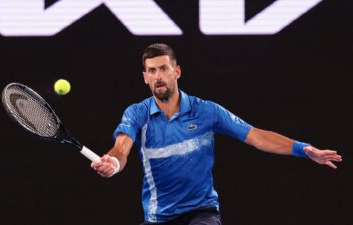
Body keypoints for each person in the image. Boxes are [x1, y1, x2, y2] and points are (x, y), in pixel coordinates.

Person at [91, 43, 342, 225]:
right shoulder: (137, 113)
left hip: (202, 212)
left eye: (164, 69)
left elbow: (256, 136)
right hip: (159, 216)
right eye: (152, 71)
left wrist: (303, 148)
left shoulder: (207, 111)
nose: (159, 77)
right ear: (145, 77)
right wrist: (113, 161)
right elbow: (121, 147)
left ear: (176, 72)